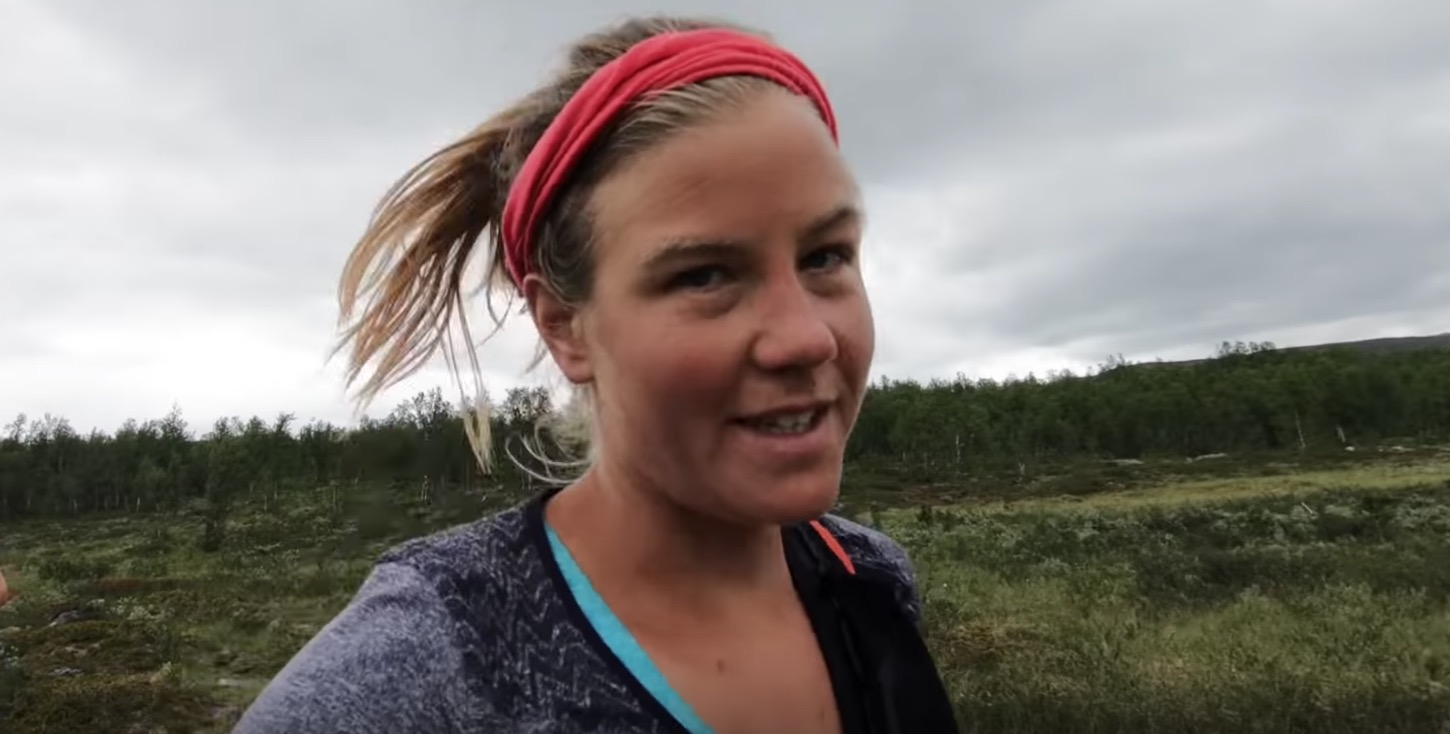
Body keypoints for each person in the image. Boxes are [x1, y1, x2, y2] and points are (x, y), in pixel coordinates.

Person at [233, 15, 958, 734]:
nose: (806, 338)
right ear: (563, 326)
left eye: (826, 256)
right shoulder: (428, 671)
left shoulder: (867, 579)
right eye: (705, 275)